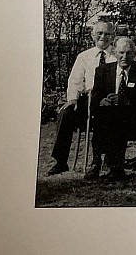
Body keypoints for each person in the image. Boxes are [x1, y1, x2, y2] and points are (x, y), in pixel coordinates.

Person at [47, 20, 116, 175]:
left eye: (107, 34)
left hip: (107, 101)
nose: (103, 37)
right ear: (93, 35)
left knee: (104, 113)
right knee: (66, 113)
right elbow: (75, 80)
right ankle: (61, 161)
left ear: (113, 36)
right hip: (86, 99)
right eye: (99, 33)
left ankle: (99, 160)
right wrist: (72, 98)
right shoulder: (84, 56)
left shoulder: (117, 55)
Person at [86, 36, 136, 181]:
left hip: (131, 116)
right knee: (105, 114)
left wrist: (125, 100)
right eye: (121, 53)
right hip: (107, 115)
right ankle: (97, 161)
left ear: (134, 54)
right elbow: (95, 96)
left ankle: (115, 165)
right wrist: (102, 100)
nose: (124, 57)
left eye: (128, 53)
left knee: (116, 116)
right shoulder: (103, 70)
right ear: (114, 52)